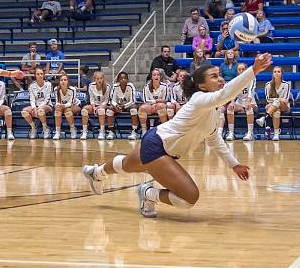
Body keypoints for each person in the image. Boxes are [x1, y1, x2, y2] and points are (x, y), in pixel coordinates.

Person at [82, 55, 272, 218]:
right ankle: (149, 194)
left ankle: (96, 173)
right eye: (214, 76)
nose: (220, 79)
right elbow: (225, 94)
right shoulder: (199, 99)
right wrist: (253, 70)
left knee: (127, 165)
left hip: (156, 140)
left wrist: (234, 164)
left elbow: (214, 139)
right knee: (190, 197)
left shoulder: (212, 111)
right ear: (201, 86)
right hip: (158, 146)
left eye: (219, 75)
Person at [256, 66, 291, 141]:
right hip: (273, 106)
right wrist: (278, 100)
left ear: (282, 74)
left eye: (279, 72)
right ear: (272, 74)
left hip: (284, 107)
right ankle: (276, 134)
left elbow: (285, 100)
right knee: (276, 111)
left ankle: (264, 117)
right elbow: (268, 99)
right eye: (275, 72)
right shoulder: (268, 85)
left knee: (277, 102)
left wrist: (277, 100)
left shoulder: (286, 84)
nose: (277, 73)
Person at [225, 62, 257, 141]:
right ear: (237, 71)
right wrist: (232, 102)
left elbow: (251, 91)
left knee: (248, 107)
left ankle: (250, 133)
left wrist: (248, 101)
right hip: (239, 103)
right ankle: (231, 132)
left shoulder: (252, 78)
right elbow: (233, 93)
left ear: (246, 70)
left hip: (251, 102)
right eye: (239, 69)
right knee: (230, 108)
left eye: (243, 69)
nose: (241, 71)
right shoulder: (235, 80)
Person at [22, 67, 53, 139]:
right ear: (35, 75)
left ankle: (45, 128)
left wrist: (38, 108)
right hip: (35, 105)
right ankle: (33, 128)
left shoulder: (48, 84)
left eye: (41, 74)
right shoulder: (32, 86)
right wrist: (34, 108)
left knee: (41, 110)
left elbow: (47, 99)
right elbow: (32, 99)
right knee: (24, 111)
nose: (40, 75)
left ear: (44, 75)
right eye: (38, 74)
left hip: (47, 105)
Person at [81, 71, 113, 140]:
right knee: (84, 110)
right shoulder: (91, 86)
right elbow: (91, 99)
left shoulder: (107, 87)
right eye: (97, 78)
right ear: (94, 79)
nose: (99, 80)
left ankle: (102, 131)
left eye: (101, 78)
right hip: (94, 105)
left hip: (104, 106)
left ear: (103, 78)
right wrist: (93, 107)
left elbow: (106, 100)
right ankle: (84, 132)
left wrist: (99, 107)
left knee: (101, 110)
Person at [139, 68, 170, 136]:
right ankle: (144, 130)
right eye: (154, 75)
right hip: (151, 107)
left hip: (160, 106)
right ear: (151, 77)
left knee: (160, 106)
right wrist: (155, 101)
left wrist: (156, 103)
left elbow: (164, 100)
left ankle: (164, 129)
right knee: (142, 108)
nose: (156, 76)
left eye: (158, 75)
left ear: (160, 76)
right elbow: (145, 100)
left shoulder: (165, 86)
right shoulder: (146, 87)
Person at [110, 71, 140, 140]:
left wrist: (124, 106)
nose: (123, 80)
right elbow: (112, 100)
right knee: (110, 109)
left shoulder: (130, 86)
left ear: (127, 79)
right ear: (118, 80)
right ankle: (111, 131)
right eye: (121, 78)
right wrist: (117, 105)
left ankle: (134, 131)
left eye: (125, 78)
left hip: (129, 105)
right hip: (118, 106)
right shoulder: (115, 86)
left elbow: (133, 100)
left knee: (133, 108)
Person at [52, 74, 80, 140]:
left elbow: (71, 103)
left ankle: (73, 129)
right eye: (61, 80)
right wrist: (57, 105)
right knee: (57, 111)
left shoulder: (72, 89)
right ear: (59, 82)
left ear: (68, 81)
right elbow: (57, 101)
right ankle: (57, 132)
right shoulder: (56, 89)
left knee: (67, 111)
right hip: (62, 106)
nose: (63, 81)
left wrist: (63, 106)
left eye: (65, 80)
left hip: (74, 105)